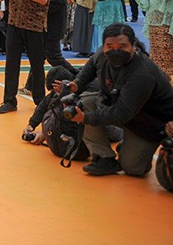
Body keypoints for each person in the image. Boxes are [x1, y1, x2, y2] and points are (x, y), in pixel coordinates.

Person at [58, 24, 173, 176]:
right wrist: (77, 84)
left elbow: (122, 113)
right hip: (121, 109)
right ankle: (104, 157)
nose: (115, 50)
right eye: (110, 46)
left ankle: (136, 148)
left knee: (133, 168)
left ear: (134, 46)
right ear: (104, 46)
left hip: (149, 122)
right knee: (83, 103)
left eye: (122, 46)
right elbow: (91, 66)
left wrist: (85, 118)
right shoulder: (102, 55)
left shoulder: (142, 74)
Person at [135, 0, 173, 77]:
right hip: (153, 23)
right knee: (155, 51)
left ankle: (168, 78)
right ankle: (157, 77)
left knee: (166, 50)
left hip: (165, 23)